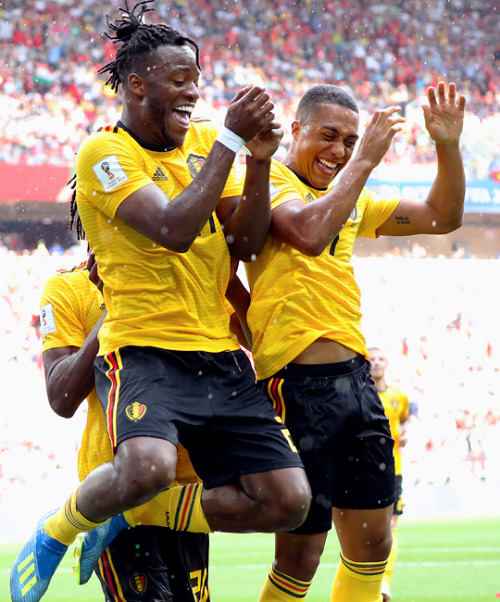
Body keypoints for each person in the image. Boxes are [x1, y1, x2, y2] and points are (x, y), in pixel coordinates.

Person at [10, 3, 310, 601]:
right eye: (179, 81)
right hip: (143, 349)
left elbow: (247, 241)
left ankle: (139, 510)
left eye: (196, 81)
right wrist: (229, 138)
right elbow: (173, 229)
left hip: (220, 357)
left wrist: (256, 161)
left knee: (288, 501)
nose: (193, 93)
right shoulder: (104, 154)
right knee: (145, 468)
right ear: (137, 85)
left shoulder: (204, 144)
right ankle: (59, 528)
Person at [244, 81, 465, 601]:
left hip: (357, 383)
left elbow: (443, 216)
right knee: (301, 556)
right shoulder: (264, 180)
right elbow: (307, 231)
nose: (339, 151)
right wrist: (364, 161)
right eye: (328, 136)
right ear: (295, 131)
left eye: (349, 141)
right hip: (296, 386)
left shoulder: (353, 199)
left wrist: (447, 146)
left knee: (373, 546)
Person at [39, 252, 211, 601]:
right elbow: (62, 397)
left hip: (185, 489)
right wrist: (115, 305)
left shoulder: (182, 269)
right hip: (117, 483)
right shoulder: (68, 287)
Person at [369, 347, 410, 602]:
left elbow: (405, 419)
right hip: (364, 468)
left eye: (380, 358)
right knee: (365, 530)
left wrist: (405, 433)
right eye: (371, 359)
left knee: (391, 527)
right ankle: (366, 581)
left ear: (387, 363)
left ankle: (384, 583)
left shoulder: (399, 396)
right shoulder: (361, 394)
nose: (376, 363)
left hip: (392, 470)